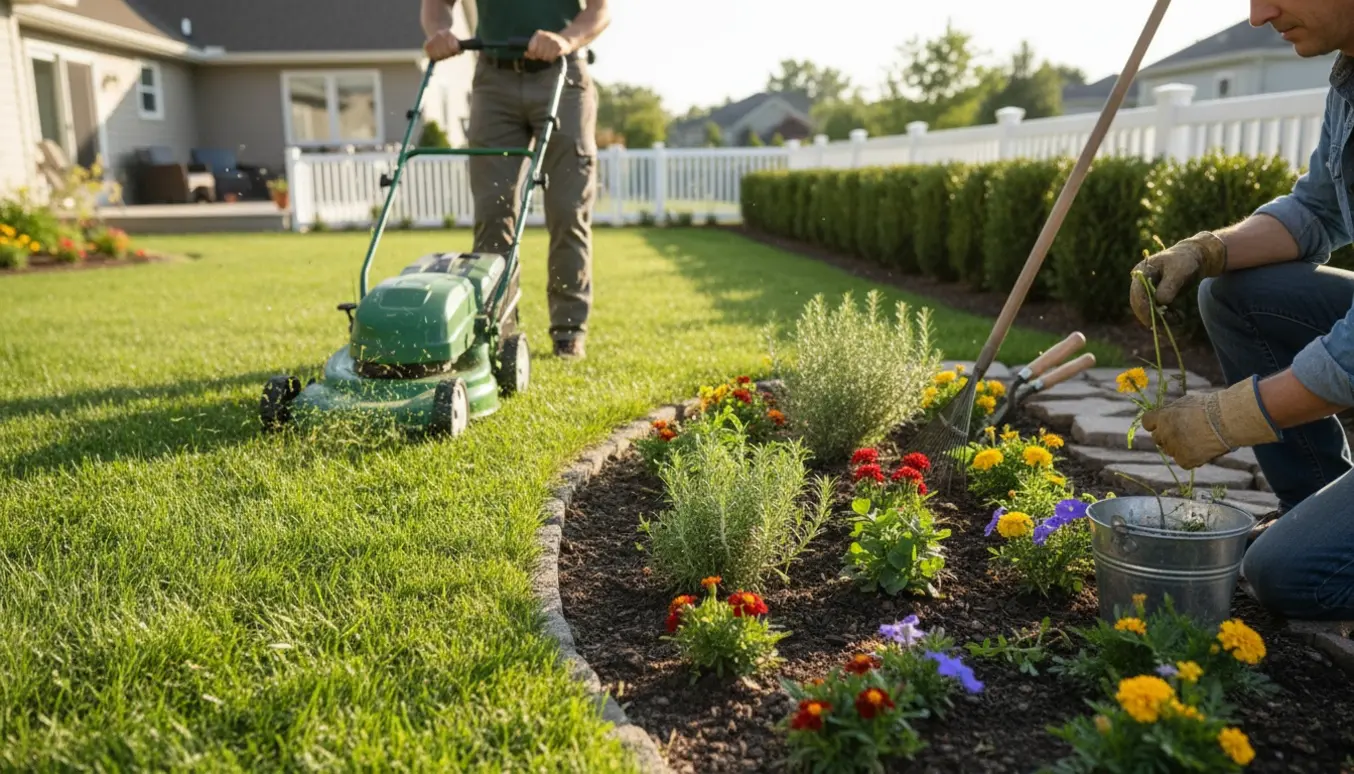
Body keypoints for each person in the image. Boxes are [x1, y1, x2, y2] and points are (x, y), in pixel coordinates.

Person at [1131, 2, 1354, 622]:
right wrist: (1205, 251)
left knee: (1287, 572)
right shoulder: (1349, 78)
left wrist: (1224, 419)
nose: (1259, 16)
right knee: (1233, 291)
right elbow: (1316, 209)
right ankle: (1316, 502)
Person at [420, 0, 610, 360]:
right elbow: (436, 6)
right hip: (494, 79)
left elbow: (600, 10)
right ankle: (496, 327)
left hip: (562, 75)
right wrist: (440, 33)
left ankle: (569, 330)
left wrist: (565, 39)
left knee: (567, 209)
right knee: (493, 210)